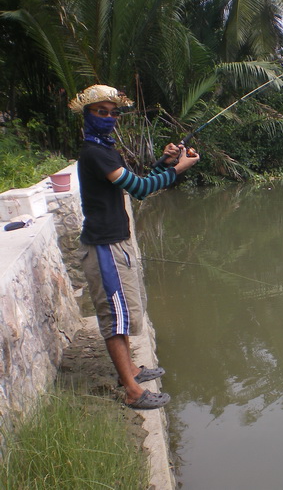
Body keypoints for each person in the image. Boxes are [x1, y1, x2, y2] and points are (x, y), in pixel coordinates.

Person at [69, 84, 199, 409]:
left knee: (122, 315)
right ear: (87, 114)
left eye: (114, 113)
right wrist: (177, 170)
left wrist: (164, 162)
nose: (109, 117)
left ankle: (131, 371)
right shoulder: (94, 153)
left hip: (116, 244)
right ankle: (131, 390)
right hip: (104, 248)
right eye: (102, 111)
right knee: (115, 320)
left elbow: (134, 184)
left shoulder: (105, 149)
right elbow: (140, 187)